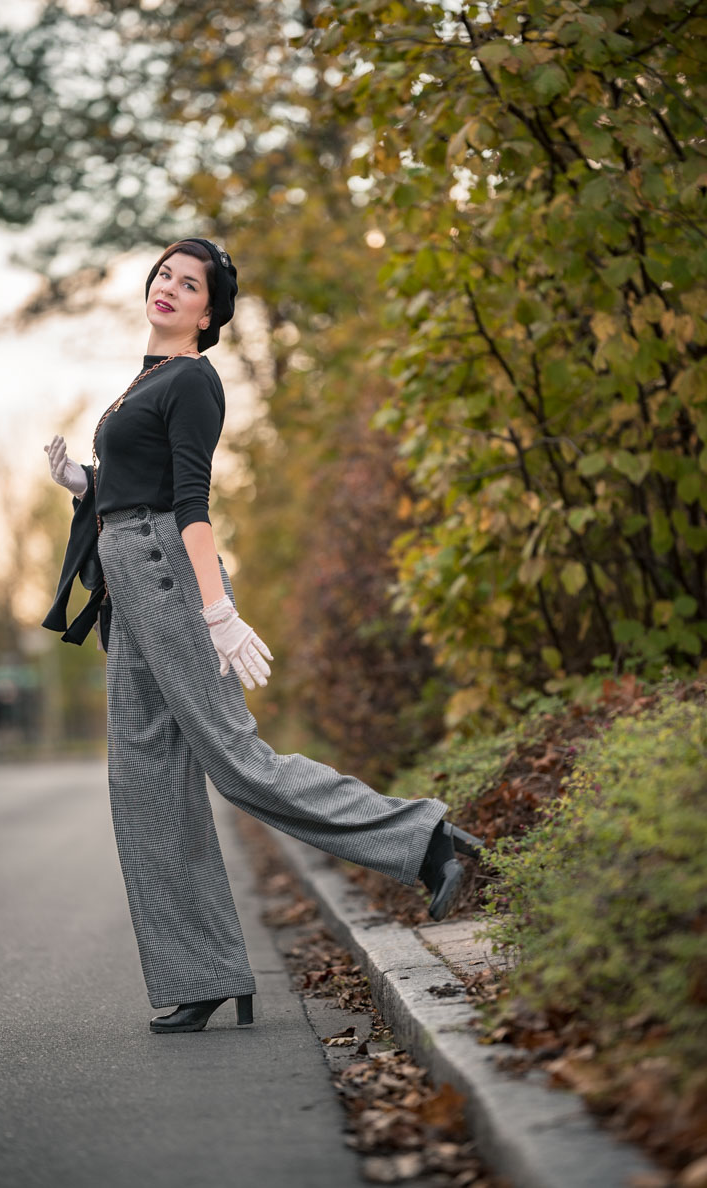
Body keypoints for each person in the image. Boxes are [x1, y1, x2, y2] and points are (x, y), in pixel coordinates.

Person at [43, 237, 482, 1035]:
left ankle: (423, 838)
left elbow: (190, 502)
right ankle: (202, 971)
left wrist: (218, 609)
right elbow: (137, 485)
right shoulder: (145, 379)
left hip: (167, 571)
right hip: (127, 576)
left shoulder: (193, 379)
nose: (170, 288)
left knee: (237, 762)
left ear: (209, 314)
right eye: (164, 275)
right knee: (144, 779)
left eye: (189, 284)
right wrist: (88, 486)